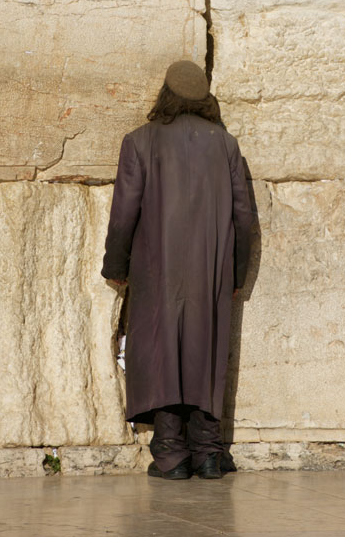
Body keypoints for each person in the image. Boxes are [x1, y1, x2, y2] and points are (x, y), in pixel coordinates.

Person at [101, 60, 258, 480]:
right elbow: (244, 219)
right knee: (204, 353)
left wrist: (115, 265)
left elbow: (123, 215)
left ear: (165, 95)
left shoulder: (139, 142)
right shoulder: (225, 144)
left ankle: (170, 455)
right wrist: (238, 277)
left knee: (161, 354)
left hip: (157, 269)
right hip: (212, 270)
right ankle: (208, 454)